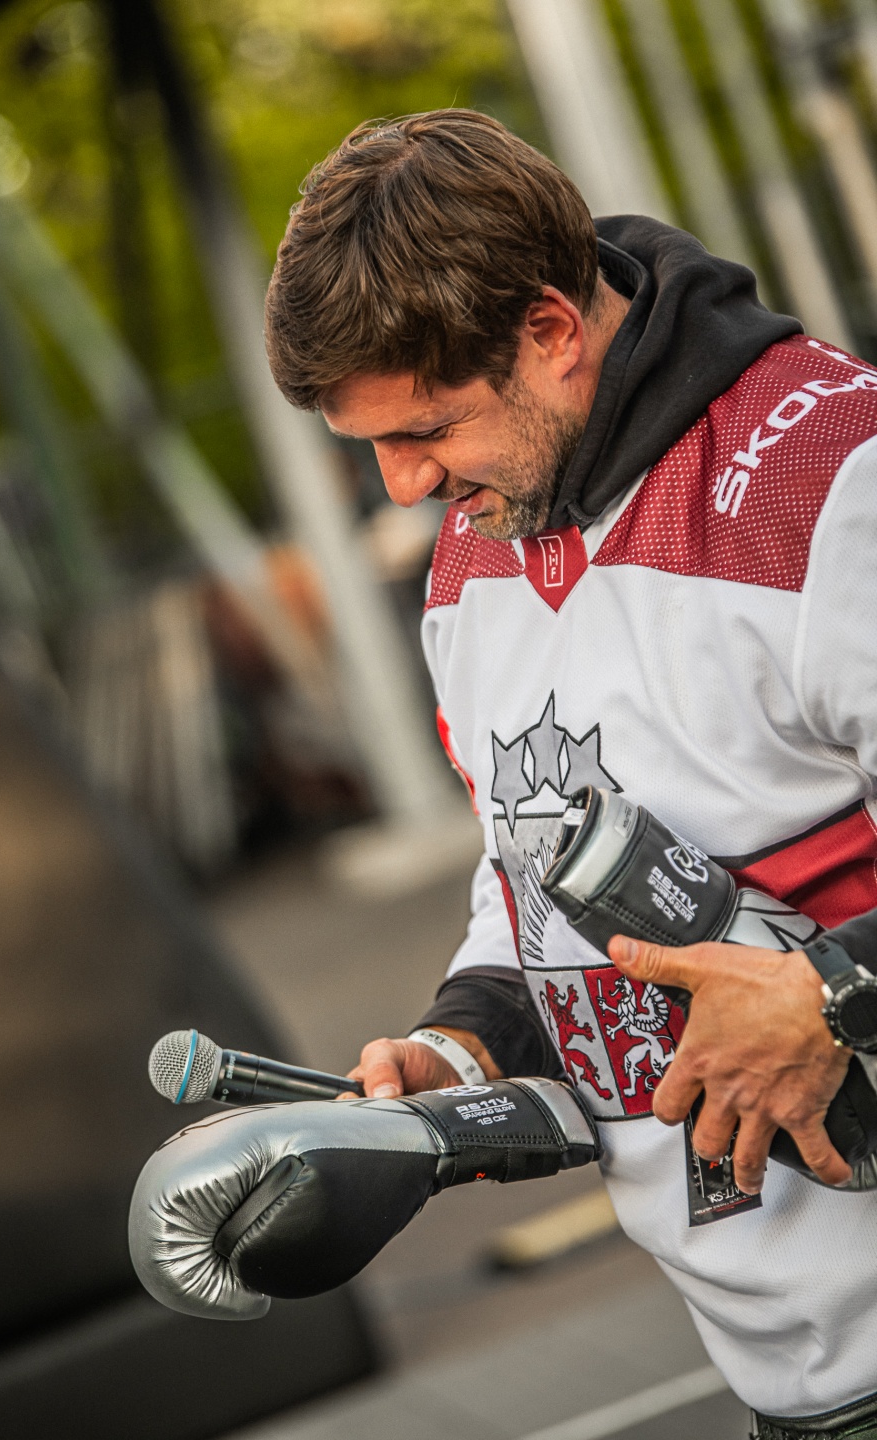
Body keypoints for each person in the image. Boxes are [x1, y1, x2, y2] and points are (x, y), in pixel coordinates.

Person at [264, 109, 877, 1436]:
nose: (401, 487)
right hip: (794, 1380)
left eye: (428, 428)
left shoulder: (834, 478)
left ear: (550, 331)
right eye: (367, 446)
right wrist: (456, 1047)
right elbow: (531, 890)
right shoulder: (470, 562)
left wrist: (831, 995)